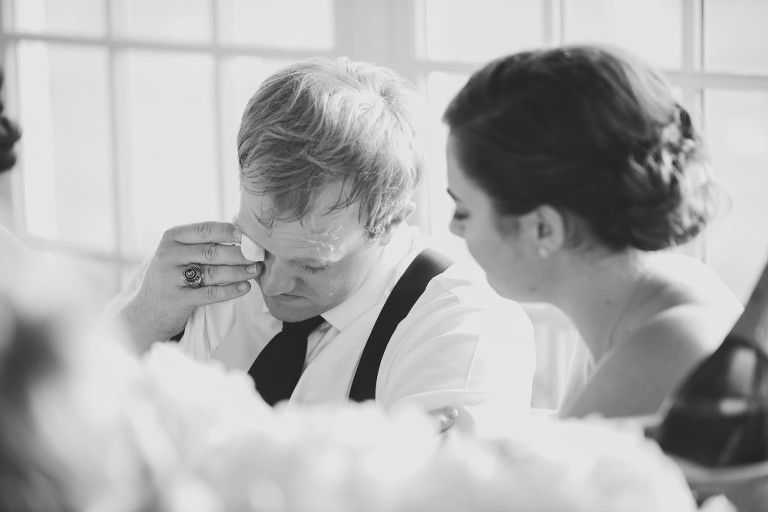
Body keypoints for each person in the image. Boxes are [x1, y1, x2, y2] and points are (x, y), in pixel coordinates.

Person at [113, 56, 535, 426]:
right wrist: (139, 322)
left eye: (312, 264)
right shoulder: (186, 278)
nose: (273, 284)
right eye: (258, 244)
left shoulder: (461, 329)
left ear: (389, 223)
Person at [443, 45, 743, 419]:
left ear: (542, 228)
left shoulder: (665, 347)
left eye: (463, 211)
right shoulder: (627, 297)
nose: (453, 229)